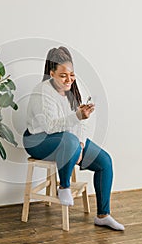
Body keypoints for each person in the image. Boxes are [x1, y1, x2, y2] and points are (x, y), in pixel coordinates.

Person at [23, 46, 124, 231]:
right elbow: (50, 127)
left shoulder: (71, 91)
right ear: (51, 73)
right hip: (37, 141)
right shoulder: (42, 92)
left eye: (72, 74)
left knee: (104, 161)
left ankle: (103, 215)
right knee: (69, 141)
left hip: (68, 142)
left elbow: (80, 124)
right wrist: (76, 127)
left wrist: (81, 144)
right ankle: (64, 187)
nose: (69, 79)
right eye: (63, 75)